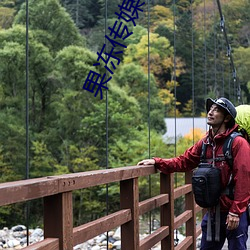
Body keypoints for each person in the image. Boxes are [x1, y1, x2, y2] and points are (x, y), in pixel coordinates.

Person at [137, 97, 250, 250]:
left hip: (233, 211)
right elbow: (184, 161)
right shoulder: (205, 143)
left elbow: (244, 178)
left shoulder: (238, 143)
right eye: (210, 109)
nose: (210, 112)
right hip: (213, 211)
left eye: (216, 110)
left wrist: (236, 212)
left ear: (227, 118)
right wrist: (157, 162)